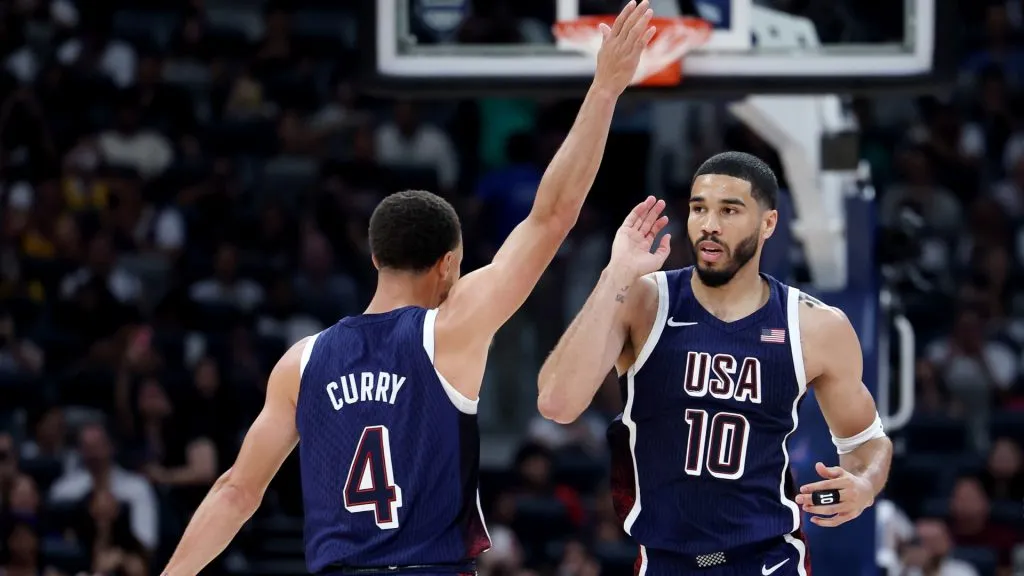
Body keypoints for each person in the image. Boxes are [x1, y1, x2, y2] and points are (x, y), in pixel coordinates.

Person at [157, 2, 658, 575]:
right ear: (448, 265)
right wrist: (605, 88)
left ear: (376, 257)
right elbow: (553, 215)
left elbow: (234, 494)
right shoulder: (451, 326)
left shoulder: (301, 363)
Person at [537, 152, 893, 575]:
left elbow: (867, 442)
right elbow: (557, 403)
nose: (709, 223)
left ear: (768, 224)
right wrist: (616, 274)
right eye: (699, 208)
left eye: (729, 210)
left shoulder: (814, 326)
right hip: (664, 561)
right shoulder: (644, 301)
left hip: (767, 560)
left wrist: (865, 484)